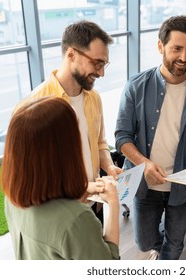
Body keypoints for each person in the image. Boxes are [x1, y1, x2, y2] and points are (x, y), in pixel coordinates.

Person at [114, 15, 186, 260]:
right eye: (176, 49)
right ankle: (158, 249)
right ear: (160, 46)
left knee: (176, 243)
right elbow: (122, 137)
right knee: (143, 240)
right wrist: (145, 164)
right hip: (145, 183)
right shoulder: (136, 86)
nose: (184, 57)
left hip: (182, 185)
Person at [18, 20, 122, 213]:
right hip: (60, 213)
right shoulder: (35, 105)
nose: (101, 72)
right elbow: (33, 174)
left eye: (104, 64)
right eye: (97, 63)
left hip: (94, 204)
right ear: (71, 54)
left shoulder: (94, 98)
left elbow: (100, 143)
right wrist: (80, 188)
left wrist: (109, 166)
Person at [1, 97, 120, 260]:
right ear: (64, 149)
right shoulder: (77, 220)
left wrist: (84, 189)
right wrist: (113, 204)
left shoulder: (12, 200)